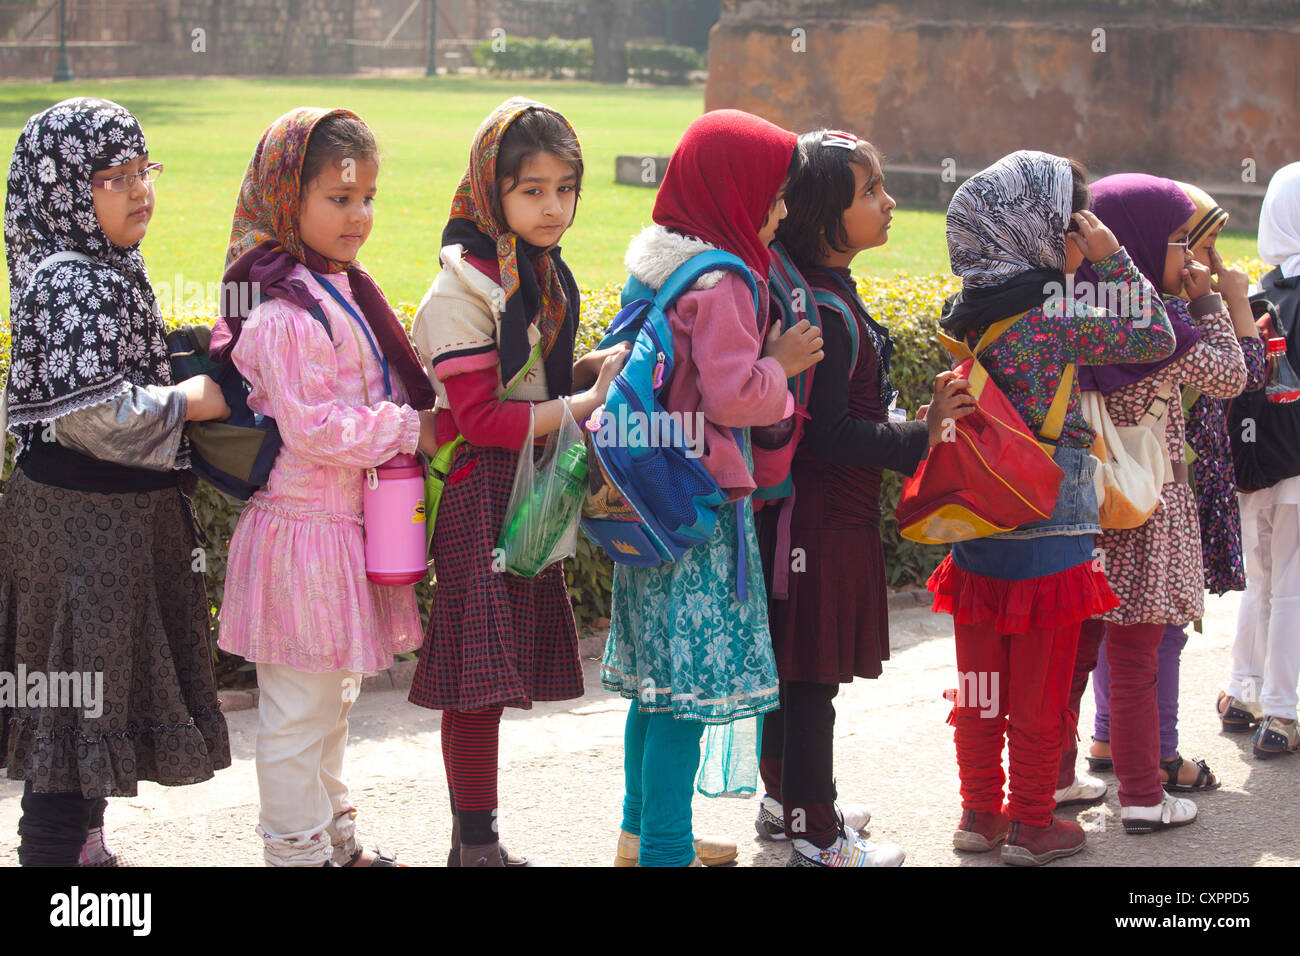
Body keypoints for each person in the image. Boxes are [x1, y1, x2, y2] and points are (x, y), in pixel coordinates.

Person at [1, 97, 231, 866]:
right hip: (80, 531)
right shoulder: (70, 283)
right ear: (66, 189)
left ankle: (84, 854)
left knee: (88, 703)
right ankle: (60, 863)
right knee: (71, 715)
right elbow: (95, 418)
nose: (139, 191)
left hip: (104, 526)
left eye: (143, 170)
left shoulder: (104, 266)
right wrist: (192, 399)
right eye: (113, 177)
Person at [929, 152, 1177, 864]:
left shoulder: (961, 319)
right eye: (1070, 227)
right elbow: (1153, 336)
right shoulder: (1059, 317)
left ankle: (980, 812)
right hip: (1051, 526)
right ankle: (1035, 820)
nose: (1077, 239)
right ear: (1037, 233)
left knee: (979, 683)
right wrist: (1114, 259)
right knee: (1040, 686)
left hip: (978, 527)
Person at [214, 107, 439, 867]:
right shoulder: (282, 311)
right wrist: (409, 428)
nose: (359, 216)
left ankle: (336, 839)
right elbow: (316, 428)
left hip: (342, 529)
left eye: (367, 197)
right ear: (288, 198)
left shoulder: (337, 288)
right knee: (297, 710)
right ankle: (295, 853)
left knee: (333, 701)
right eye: (339, 198)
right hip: (303, 534)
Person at [600, 109, 824, 867]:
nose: (781, 212)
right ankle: (665, 850)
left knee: (654, 690)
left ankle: (641, 835)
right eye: (772, 196)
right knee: (687, 698)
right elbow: (732, 396)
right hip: (697, 512)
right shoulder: (725, 279)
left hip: (646, 502)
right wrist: (783, 371)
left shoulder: (657, 262)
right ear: (733, 193)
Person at [407, 98, 626, 867]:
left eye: (566, 188)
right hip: (479, 494)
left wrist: (591, 369)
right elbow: (483, 420)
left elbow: (531, 386)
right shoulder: (461, 291)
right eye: (532, 190)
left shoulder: (537, 275)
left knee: (491, 678)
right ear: (489, 190)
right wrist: (585, 402)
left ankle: (477, 843)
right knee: (476, 677)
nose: (554, 207)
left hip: (528, 488)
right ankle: (475, 846)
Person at [755, 128, 974, 866]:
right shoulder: (824, 310)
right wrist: (922, 432)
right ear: (823, 216)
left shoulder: (820, 293)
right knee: (810, 680)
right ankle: (818, 834)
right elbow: (830, 438)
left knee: (796, 672)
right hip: (819, 520)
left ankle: (787, 802)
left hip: (812, 521)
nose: (889, 202)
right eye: (870, 192)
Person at [1070, 174, 1249, 833]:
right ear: (1138, 244)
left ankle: (1063, 776)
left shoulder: (1076, 311)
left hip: (1088, 503)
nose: (1192, 261)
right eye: (1180, 243)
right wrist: (1213, 308)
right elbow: (1230, 377)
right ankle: (1145, 796)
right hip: (1147, 504)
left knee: (1080, 648)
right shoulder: (1164, 323)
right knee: (1141, 651)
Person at [1222, 161, 1300, 757]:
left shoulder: (1252, 294)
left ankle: (1242, 693)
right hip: (1297, 465)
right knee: (1293, 585)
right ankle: (1281, 710)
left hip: (1253, 462)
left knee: (1262, 577)